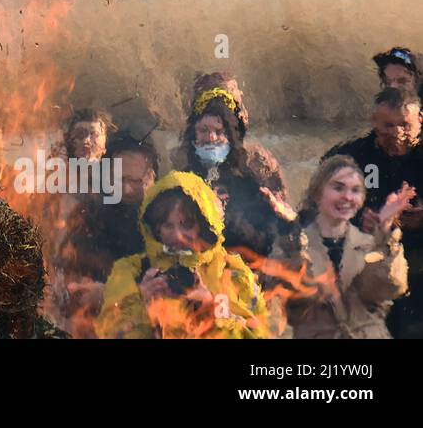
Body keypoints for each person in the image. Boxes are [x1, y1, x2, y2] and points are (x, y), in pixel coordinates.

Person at [96, 171, 268, 339]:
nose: (177, 235)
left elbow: (260, 335)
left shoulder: (233, 273)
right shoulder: (131, 271)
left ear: (203, 225)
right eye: (168, 226)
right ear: (156, 228)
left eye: (186, 225)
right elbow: (108, 332)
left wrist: (211, 307)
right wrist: (142, 306)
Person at [323, 87, 423, 337]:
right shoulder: (350, 157)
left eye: (405, 125)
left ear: (420, 121)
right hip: (366, 262)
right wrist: (356, 219)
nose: (397, 133)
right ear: (374, 122)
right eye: (388, 126)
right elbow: (320, 203)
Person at [277, 156, 412, 339]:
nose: (347, 197)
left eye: (355, 190)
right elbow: (292, 297)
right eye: (338, 188)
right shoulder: (289, 244)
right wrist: (294, 234)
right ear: (317, 194)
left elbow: (390, 288)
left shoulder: (372, 243)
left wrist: (385, 231)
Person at [173, 87, 294, 264]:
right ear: (193, 135)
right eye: (203, 130)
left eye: (219, 131)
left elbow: (270, 232)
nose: (211, 137)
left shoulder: (250, 178)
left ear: (230, 135)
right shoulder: (182, 179)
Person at [55, 131, 159, 337]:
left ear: (153, 178)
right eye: (119, 180)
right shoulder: (90, 218)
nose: (127, 190)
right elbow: (66, 275)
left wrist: (109, 294)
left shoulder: (168, 224)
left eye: (136, 181)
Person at [185, 72, 286, 199]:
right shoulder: (183, 157)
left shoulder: (256, 161)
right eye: (232, 105)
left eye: (240, 105)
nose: (243, 114)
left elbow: (280, 201)